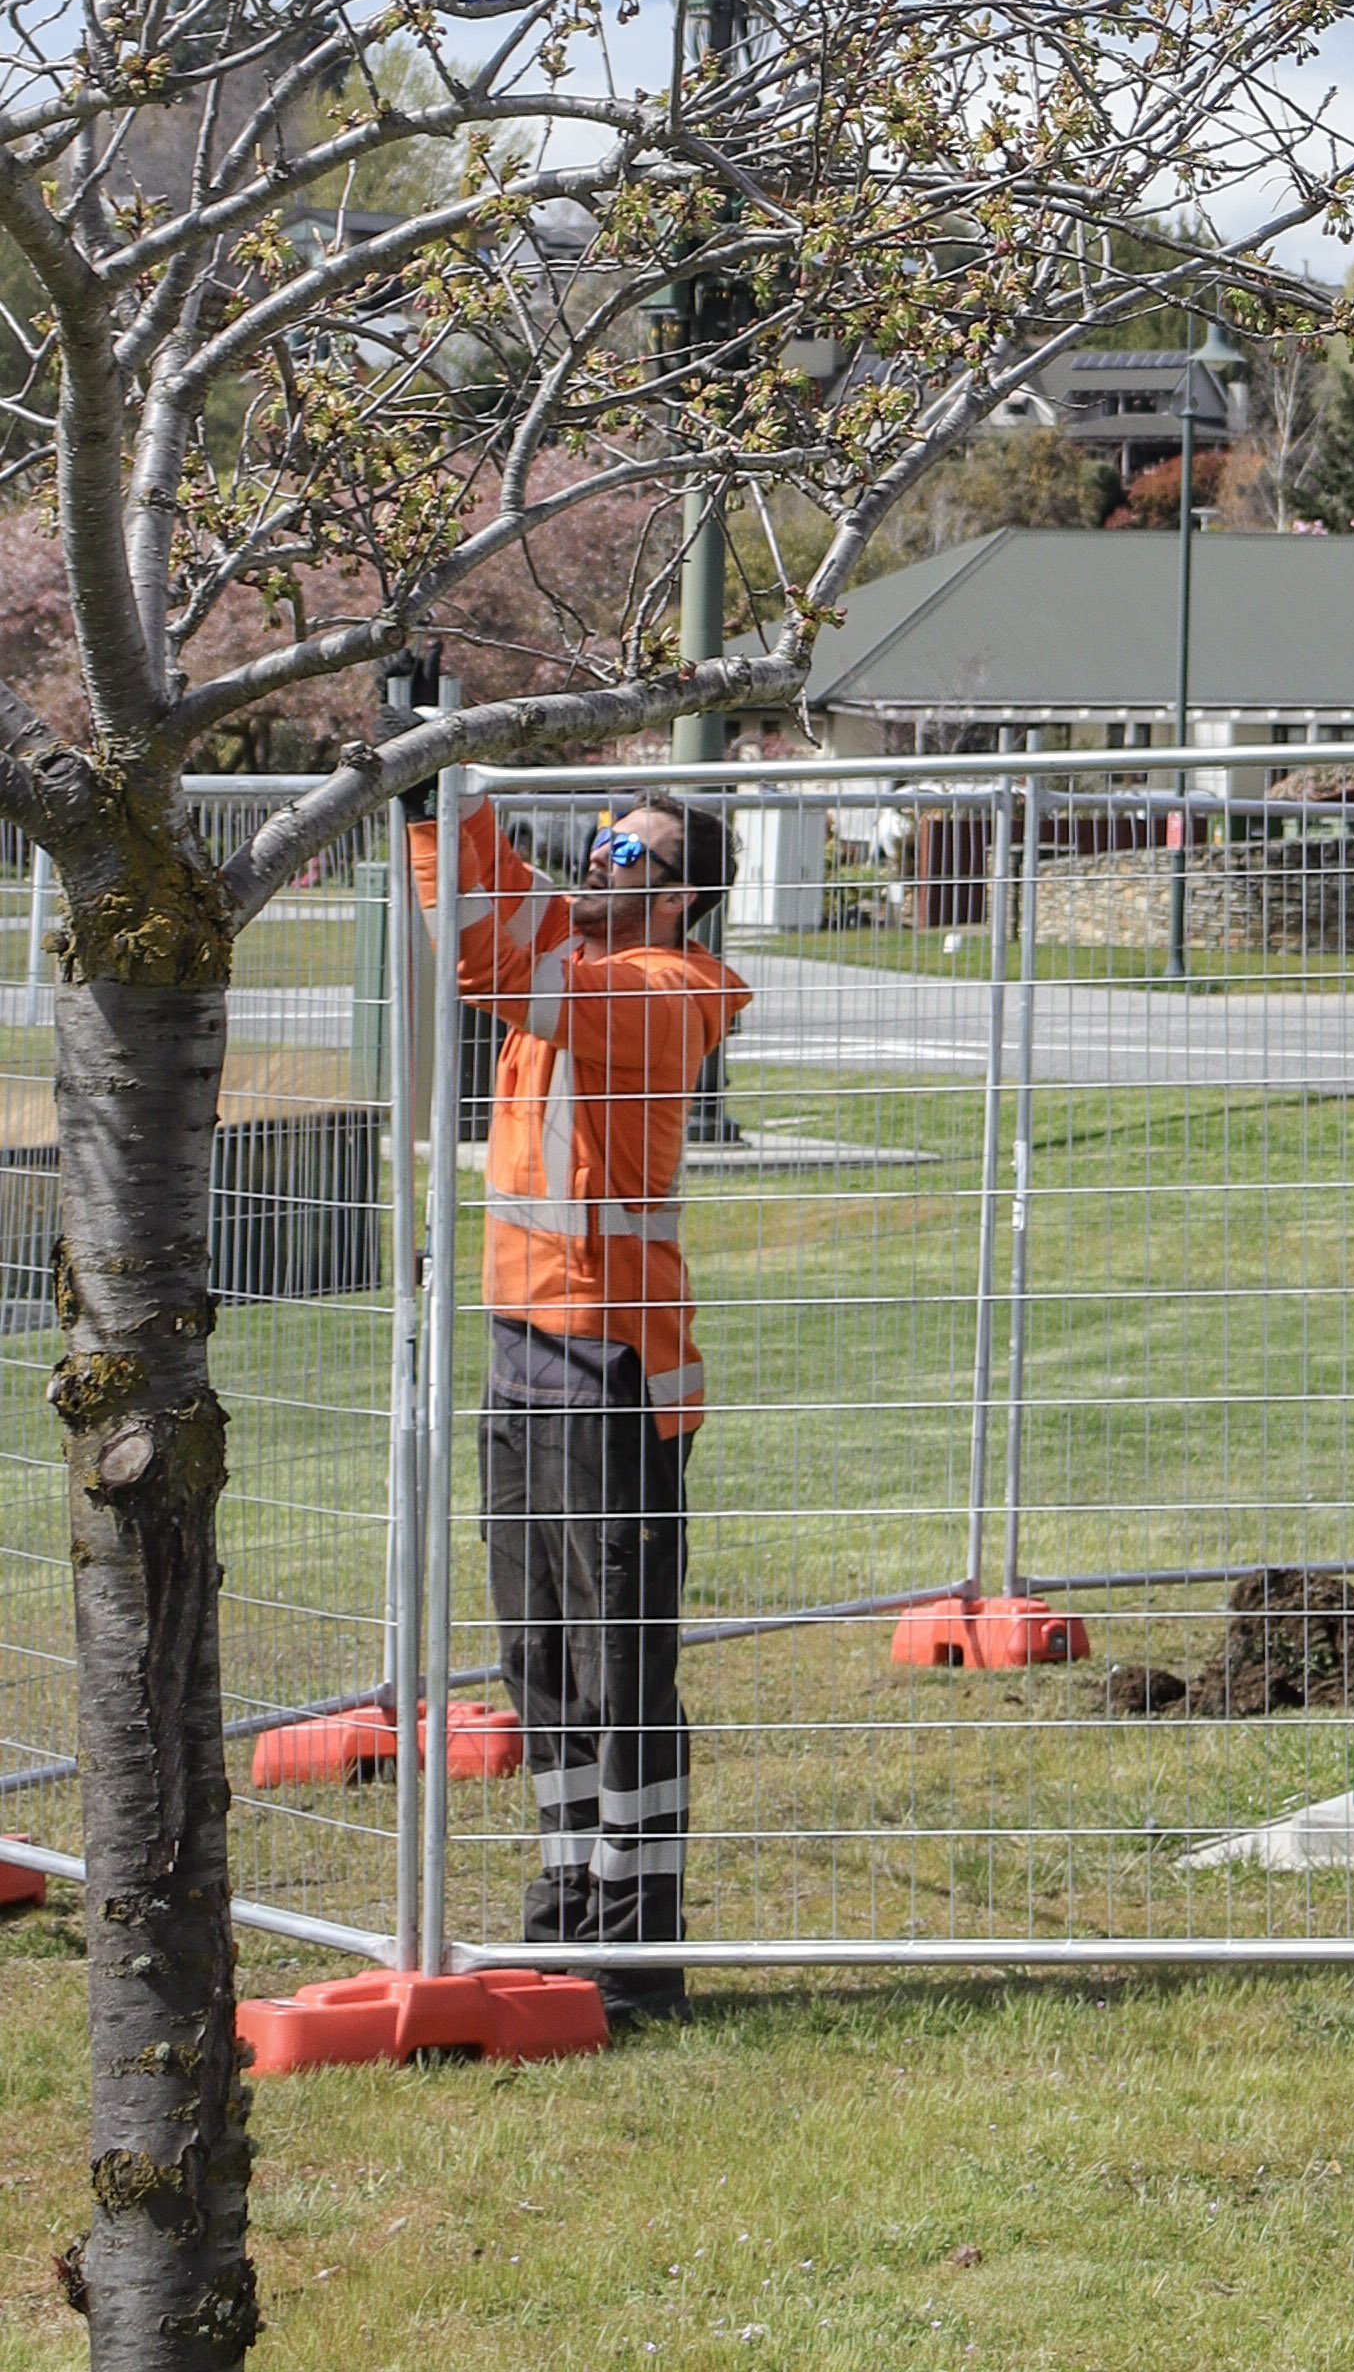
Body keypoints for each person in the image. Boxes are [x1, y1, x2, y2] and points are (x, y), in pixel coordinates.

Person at [409, 787, 746, 2026]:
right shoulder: (585, 946)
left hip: (614, 1372)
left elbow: (486, 956)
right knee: (539, 1654)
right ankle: (562, 1924)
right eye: (597, 838)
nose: (597, 860)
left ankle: (634, 1958)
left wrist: (439, 825)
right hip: (524, 1351)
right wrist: (450, 790)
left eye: (629, 851)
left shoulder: (664, 991)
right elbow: (501, 906)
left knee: (619, 1671)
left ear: (681, 894)